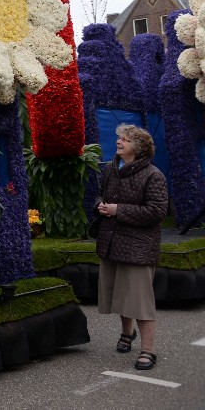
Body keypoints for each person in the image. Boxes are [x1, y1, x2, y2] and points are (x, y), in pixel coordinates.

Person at [95, 124, 168, 371]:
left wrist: (119, 211)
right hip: (111, 242)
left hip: (138, 248)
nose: (119, 142)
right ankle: (127, 334)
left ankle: (148, 351)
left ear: (138, 148)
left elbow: (157, 212)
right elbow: (99, 194)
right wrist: (101, 205)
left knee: (140, 301)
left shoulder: (154, 175)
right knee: (118, 295)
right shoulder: (110, 168)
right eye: (119, 138)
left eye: (124, 140)